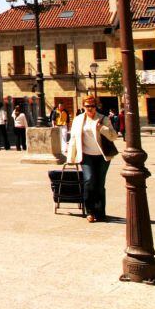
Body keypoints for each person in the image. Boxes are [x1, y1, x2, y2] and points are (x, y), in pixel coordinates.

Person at [66, 95, 119, 223]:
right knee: (89, 181)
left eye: (92, 106)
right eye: (87, 106)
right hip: (86, 155)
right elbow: (73, 139)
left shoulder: (103, 119)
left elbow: (113, 136)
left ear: (96, 106)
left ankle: (100, 213)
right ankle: (90, 211)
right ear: (83, 106)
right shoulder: (78, 120)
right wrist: (70, 157)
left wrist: (102, 128)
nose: (90, 108)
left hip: (102, 156)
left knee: (100, 185)